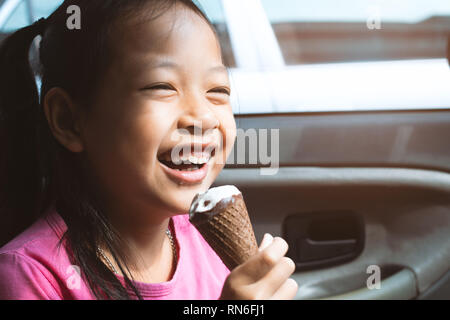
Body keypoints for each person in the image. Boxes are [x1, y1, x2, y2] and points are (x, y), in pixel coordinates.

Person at [0, 0, 297, 300]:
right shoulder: (30, 276)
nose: (204, 117)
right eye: (161, 86)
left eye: (217, 90)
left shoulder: (207, 241)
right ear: (69, 120)